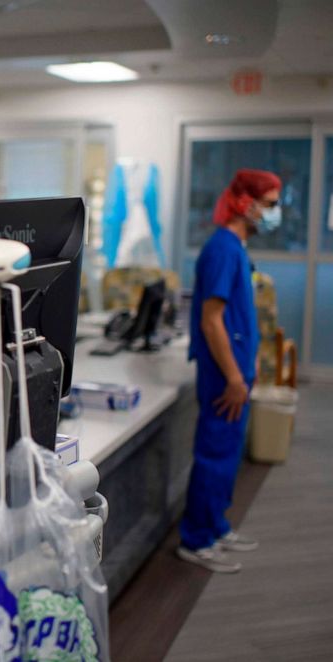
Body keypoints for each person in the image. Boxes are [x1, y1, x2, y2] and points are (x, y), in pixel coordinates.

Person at [177, 168, 282, 573]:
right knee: (214, 454)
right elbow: (211, 321)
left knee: (228, 453)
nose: (274, 214)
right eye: (270, 204)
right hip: (225, 375)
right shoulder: (222, 248)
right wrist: (236, 377)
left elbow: (237, 315)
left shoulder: (236, 247)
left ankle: (217, 527)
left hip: (236, 368)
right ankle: (196, 539)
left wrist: (250, 361)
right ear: (246, 202)